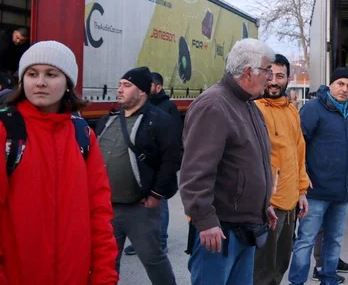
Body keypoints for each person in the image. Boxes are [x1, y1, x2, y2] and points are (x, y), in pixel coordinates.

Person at [0, 41, 118, 284]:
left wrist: (105, 277)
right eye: (32, 74)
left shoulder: (82, 135)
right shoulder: (2, 130)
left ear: (68, 83)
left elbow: (99, 214)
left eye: (51, 74)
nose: (40, 82)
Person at [180, 39, 276, 285]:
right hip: (219, 233)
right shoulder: (214, 105)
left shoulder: (247, 105)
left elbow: (247, 163)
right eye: (267, 70)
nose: (270, 77)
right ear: (248, 72)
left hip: (246, 228)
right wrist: (205, 221)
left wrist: (262, 205)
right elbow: (195, 173)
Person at [94, 66, 180, 285]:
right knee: (105, 263)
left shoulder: (159, 120)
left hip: (140, 208)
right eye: (120, 84)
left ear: (142, 91)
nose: (119, 90)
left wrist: (156, 194)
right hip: (106, 208)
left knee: (154, 260)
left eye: (127, 85)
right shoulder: (109, 119)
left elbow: (171, 160)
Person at [288, 68, 348, 285]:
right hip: (316, 191)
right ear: (331, 84)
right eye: (340, 84)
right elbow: (296, 147)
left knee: (334, 240)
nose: (344, 89)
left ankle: (328, 278)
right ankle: (296, 281)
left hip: (342, 191)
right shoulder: (313, 109)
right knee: (306, 241)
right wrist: (302, 178)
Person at [253, 54, 310, 285]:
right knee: (261, 269)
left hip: (289, 202)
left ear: (288, 79)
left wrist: (302, 190)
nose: (273, 81)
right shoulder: (253, 109)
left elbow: (299, 153)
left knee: (280, 264)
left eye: (280, 76)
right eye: (270, 75)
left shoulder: (291, 110)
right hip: (266, 206)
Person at [124, 71, 183, 257]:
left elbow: (173, 142)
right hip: (142, 170)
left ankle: (161, 242)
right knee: (141, 211)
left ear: (158, 87)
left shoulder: (168, 107)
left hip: (159, 168)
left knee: (160, 207)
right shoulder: (143, 107)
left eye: (148, 86)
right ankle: (140, 242)